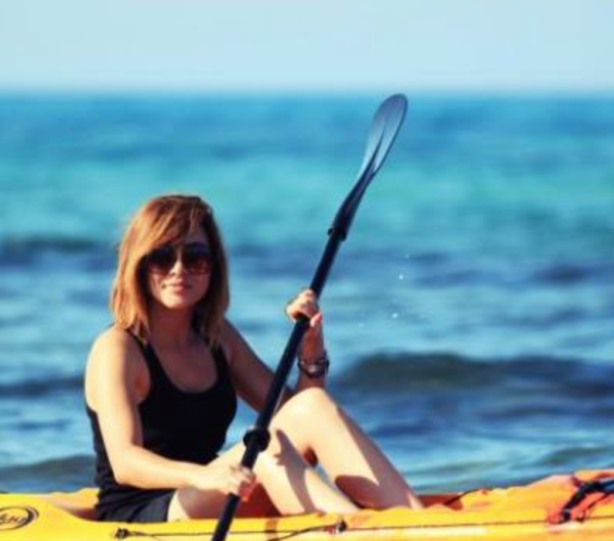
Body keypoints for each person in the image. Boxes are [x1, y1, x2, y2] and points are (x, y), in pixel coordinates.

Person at [82, 193, 423, 523]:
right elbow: (126, 463)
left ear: (213, 267)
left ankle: (415, 521)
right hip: (146, 511)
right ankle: (358, 536)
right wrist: (205, 476)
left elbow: (297, 419)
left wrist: (311, 349)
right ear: (138, 264)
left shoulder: (216, 335)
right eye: (162, 257)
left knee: (313, 405)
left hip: (213, 490)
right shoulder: (117, 349)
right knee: (262, 448)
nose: (179, 269)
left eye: (196, 257)